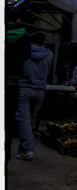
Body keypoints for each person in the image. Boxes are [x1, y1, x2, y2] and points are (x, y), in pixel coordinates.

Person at [15, 32, 53, 161]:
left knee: (23, 120)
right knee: (31, 119)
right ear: (43, 42)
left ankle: (27, 150)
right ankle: (24, 148)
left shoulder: (24, 53)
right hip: (40, 91)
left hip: (24, 88)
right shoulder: (49, 55)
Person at [5, 11, 31, 167]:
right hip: (12, 83)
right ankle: (6, 157)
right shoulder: (25, 36)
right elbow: (25, 57)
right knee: (9, 121)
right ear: (18, 19)